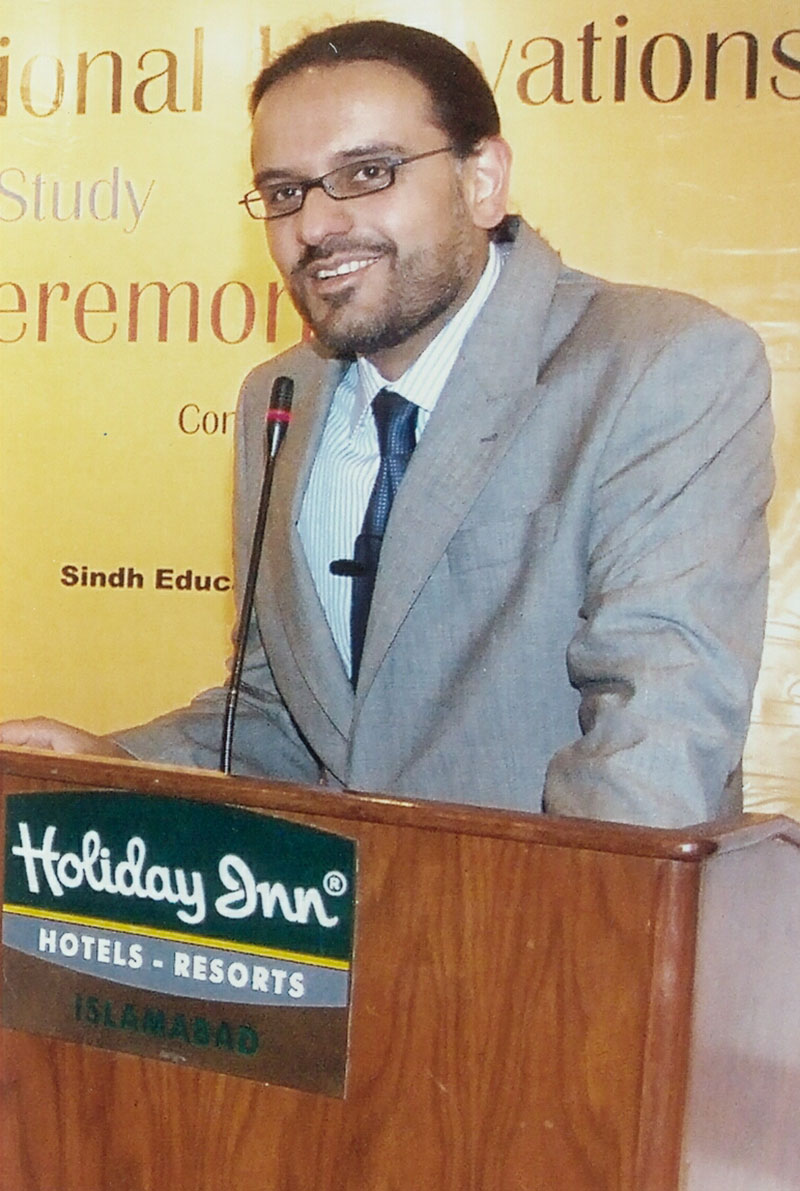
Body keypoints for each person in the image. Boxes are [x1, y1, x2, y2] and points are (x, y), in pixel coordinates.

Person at [0, 20, 773, 827]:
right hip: (328, 902)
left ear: (483, 181)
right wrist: (117, 769)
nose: (316, 226)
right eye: (285, 192)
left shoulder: (660, 365)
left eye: (368, 173)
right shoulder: (280, 397)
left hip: (551, 903)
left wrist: (512, 909)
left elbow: (656, 744)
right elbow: (286, 718)